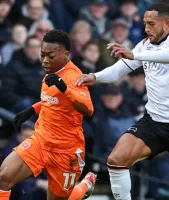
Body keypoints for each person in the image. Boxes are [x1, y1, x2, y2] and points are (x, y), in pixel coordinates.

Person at [76, 3, 169, 200]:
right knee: (116, 160)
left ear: (167, 23)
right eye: (144, 23)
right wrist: (95, 76)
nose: (146, 28)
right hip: (153, 122)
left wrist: (135, 55)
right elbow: (119, 69)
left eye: (151, 23)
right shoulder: (145, 45)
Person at [0, 29, 97, 200]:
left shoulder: (74, 77)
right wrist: (32, 109)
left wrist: (65, 89)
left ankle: (83, 187)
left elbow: (88, 109)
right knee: (3, 177)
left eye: (50, 56)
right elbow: (53, 101)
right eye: (42, 54)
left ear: (65, 55)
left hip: (65, 150)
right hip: (41, 140)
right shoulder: (50, 71)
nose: (45, 60)